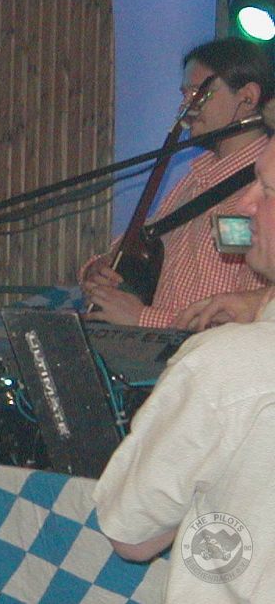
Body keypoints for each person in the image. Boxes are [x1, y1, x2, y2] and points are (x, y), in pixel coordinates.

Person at [93, 107, 275, 600]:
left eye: (266, 190)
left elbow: (131, 531)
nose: (246, 204)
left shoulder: (222, 367)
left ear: (246, 97)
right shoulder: (191, 179)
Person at [82, 37, 271, 328]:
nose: (186, 105)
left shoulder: (265, 195)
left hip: (211, 356)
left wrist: (142, 318)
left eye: (199, 93)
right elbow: (146, 238)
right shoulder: (195, 178)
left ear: (247, 97)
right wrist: (99, 267)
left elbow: (254, 320)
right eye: (185, 94)